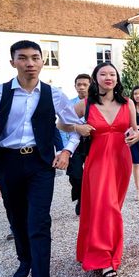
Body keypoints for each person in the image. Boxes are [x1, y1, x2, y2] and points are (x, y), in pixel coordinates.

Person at [0, 40, 83, 277]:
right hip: (7, 163)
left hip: (40, 164)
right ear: (13, 62)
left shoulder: (54, 94)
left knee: (39, 222)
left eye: (35, 57)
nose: (30, 63)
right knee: (17, 219)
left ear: (42, 61)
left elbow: (75, 128)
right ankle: (24, 259)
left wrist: (67, 151)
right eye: (23, 58)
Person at [73, 63, 139, 277]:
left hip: (121, 159)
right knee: (106, 207)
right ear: (96, 78)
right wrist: (77, 127)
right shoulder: (86, 104)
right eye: (103, 74)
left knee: (113, 208)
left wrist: (137, 136)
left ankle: (95, 250)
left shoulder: (128, 103)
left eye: (112, 74)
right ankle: (105, 259)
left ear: (117, 79)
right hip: (98, 161)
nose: (108, 77)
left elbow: (135, 130)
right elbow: (60, 123)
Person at [61, 74, 92, 216]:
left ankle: (92, 201)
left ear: (90, 86)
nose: (81, 87)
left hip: (93, 142)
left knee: (93, 174)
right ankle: (81, 197)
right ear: (75, 86)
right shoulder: (69, 104)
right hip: (75, 144)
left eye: (85, 84)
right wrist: (64, 148)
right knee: (76, 175)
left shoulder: (96, 103)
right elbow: (62, 125)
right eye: (79, 84)